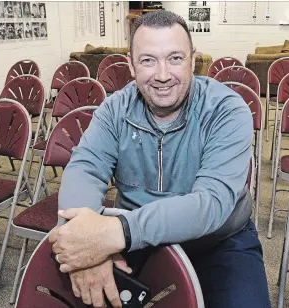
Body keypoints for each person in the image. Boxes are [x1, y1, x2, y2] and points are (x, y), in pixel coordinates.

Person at [49, 11, 271, 308]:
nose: (163, 74)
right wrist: (85, 244)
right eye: (148, 60)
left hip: (218, 241)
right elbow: (85, 169)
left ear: (194, 60)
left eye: (175, 58)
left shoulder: (227, 110)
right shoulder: (114, 110)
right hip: (136, 239)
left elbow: (210, 204)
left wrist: (115, 234)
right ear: (131, 64)